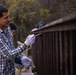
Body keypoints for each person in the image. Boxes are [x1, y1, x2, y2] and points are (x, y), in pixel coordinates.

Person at [0, 5, 35, 75]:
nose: (9, 19)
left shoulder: (8, 28)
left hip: (11, 72)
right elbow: (9, 55)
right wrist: (25, 45)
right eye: (6, 18)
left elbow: (11, 47)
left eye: (9, 16)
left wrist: (21, 57)